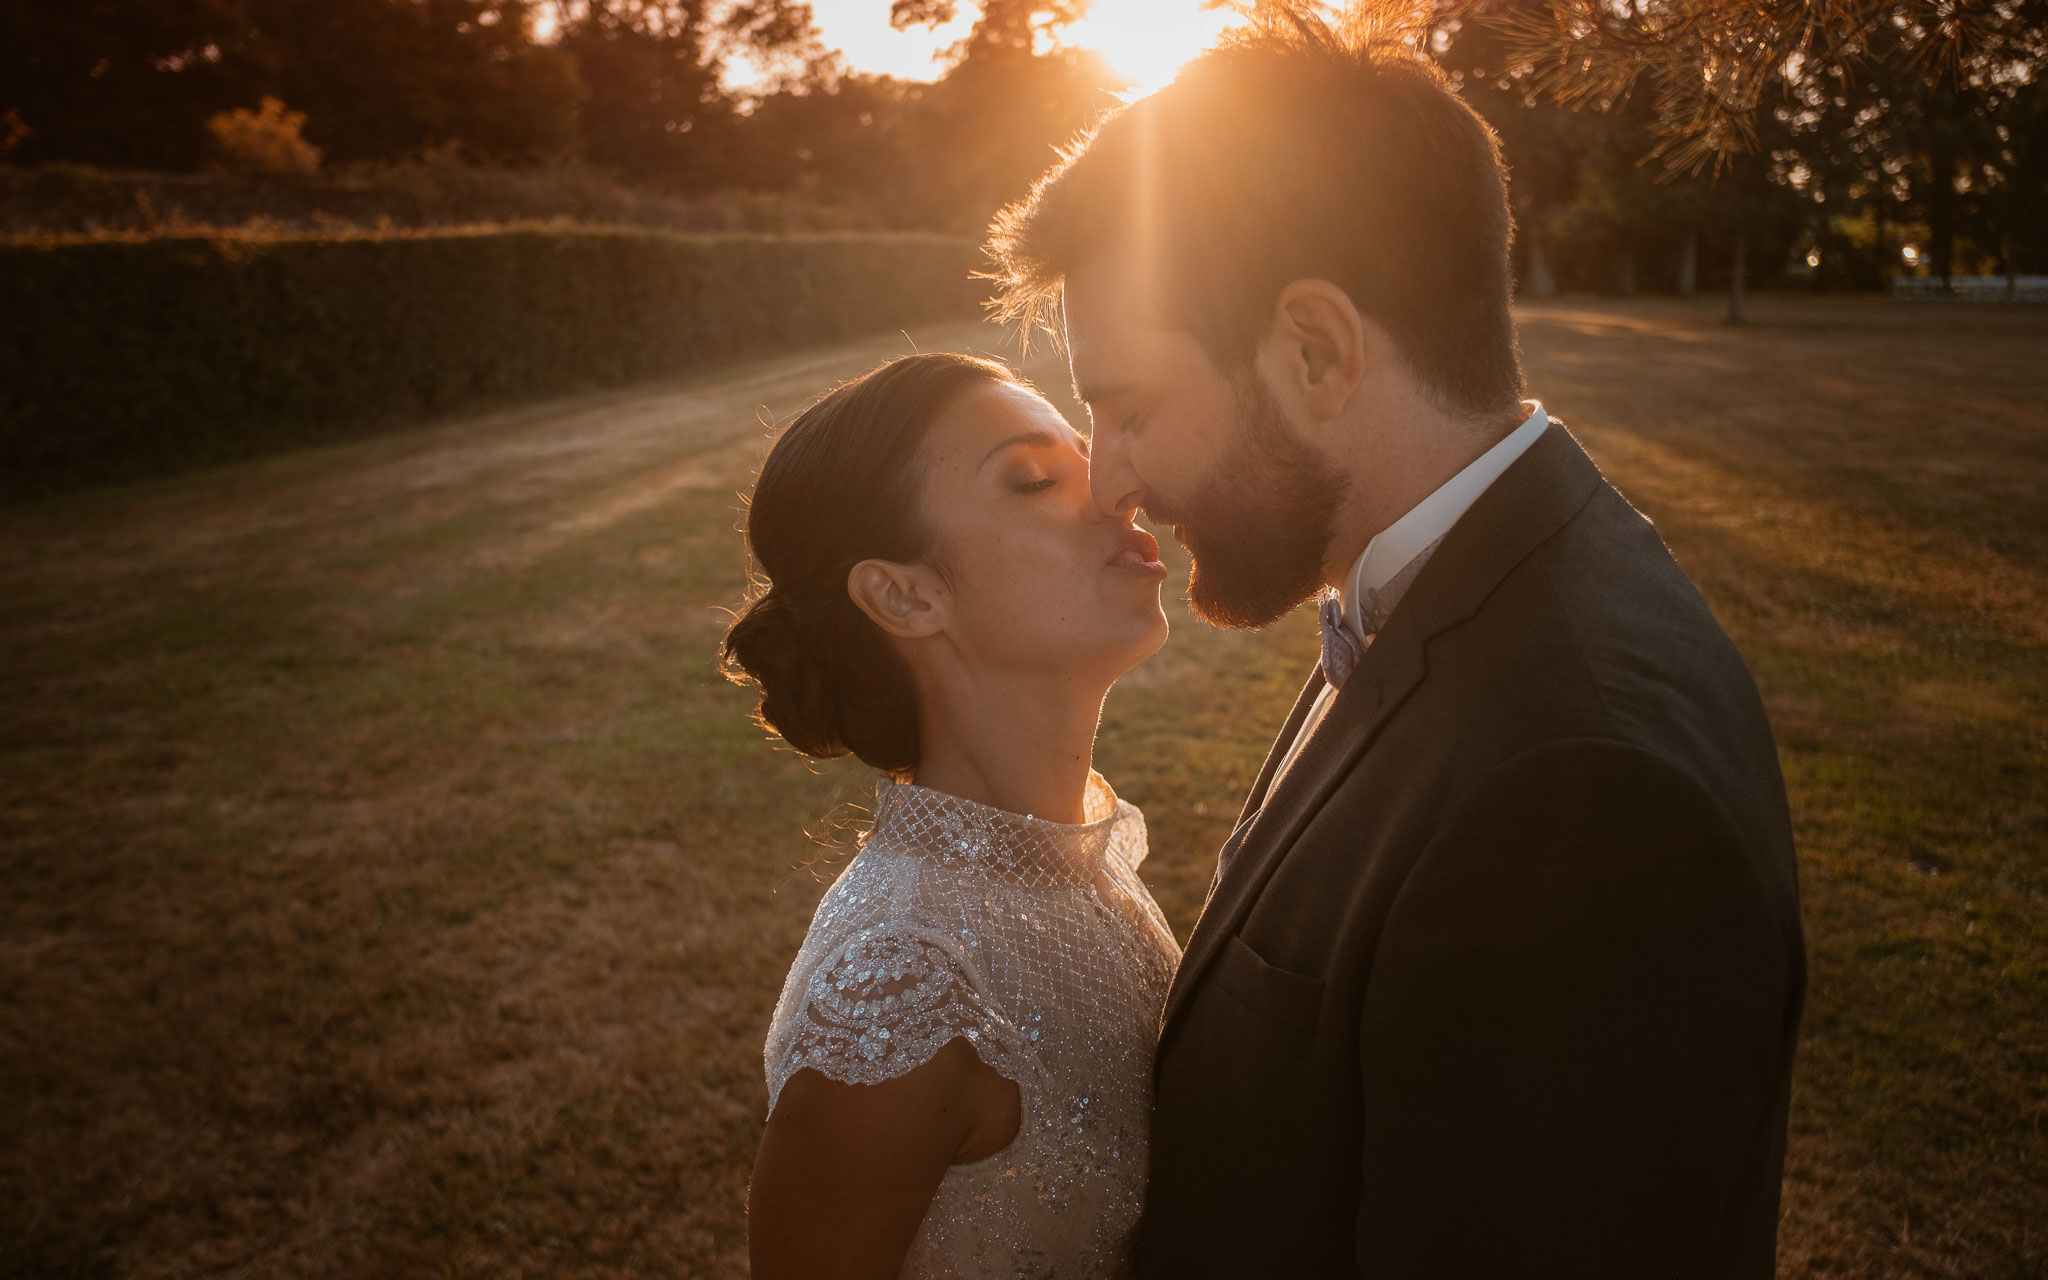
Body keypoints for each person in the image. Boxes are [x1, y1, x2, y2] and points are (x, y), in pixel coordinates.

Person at [984, 14, 1807, 1278]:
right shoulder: (1434, 583)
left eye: (1132, 406)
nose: (1112, 483)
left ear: (1315, 349)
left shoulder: (1577, 791)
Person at [724, 352, 1183, 1278]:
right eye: (1032, 479)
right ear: (906, 595)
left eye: (1086, 457)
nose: (1118, 492)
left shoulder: (1079, 866)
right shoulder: (904, 987)